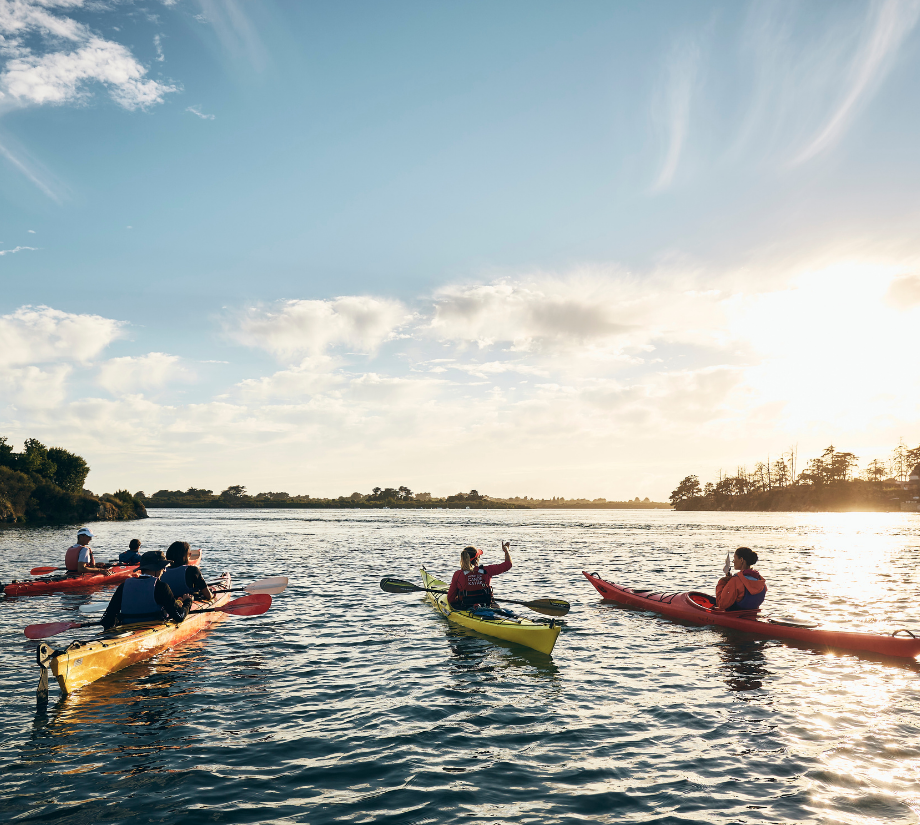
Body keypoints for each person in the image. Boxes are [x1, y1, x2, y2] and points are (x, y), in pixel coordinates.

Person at [101, 551, 192, 630]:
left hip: (126, 628)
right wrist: (188, 602)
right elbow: (179, 617)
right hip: (151, 629)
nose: (164, 571)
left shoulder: (124, 585)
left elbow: (107, 619)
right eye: (163, 567)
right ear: (156, 568)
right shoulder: (161, 587)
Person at [447, 541, 512, 610]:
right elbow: (508, 565)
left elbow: (450, 599)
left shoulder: (458, 574)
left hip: (466, 608)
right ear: (476, 559)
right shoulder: (488, 570)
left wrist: (458, 599)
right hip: (486, 607)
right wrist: (506, 551)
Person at [716, 546, 767, 611]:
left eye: (734, 558)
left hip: (735, 616)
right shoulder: (761, 581)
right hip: (752, 615)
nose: (733, 561)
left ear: (741, 560)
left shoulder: (735, 581)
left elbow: (721, 604)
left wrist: (722, 582)